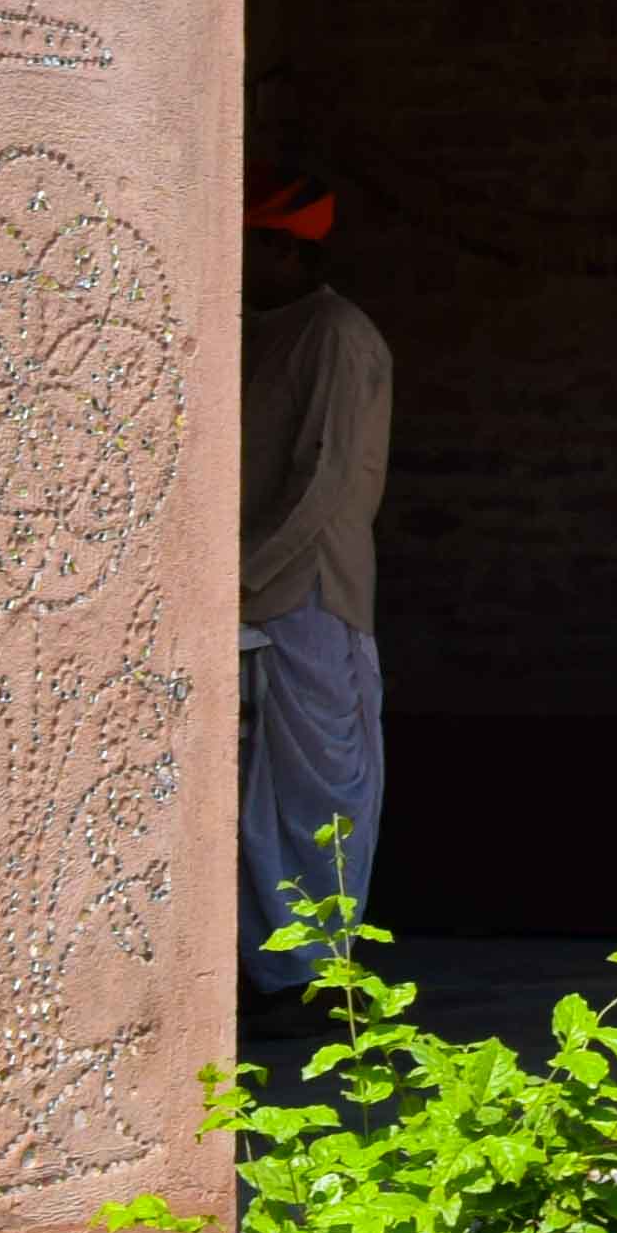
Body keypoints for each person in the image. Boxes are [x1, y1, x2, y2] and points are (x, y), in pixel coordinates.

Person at [239, 177, 394, 982]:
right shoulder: (272, 329)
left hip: (309, 592)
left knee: (316, 791)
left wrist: (238, 574)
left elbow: (322, 478)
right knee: (257, 789)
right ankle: (267, 967)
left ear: (285, 251)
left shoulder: (334, 332)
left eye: (252, 244)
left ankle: (310, 971)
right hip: (263, 596)